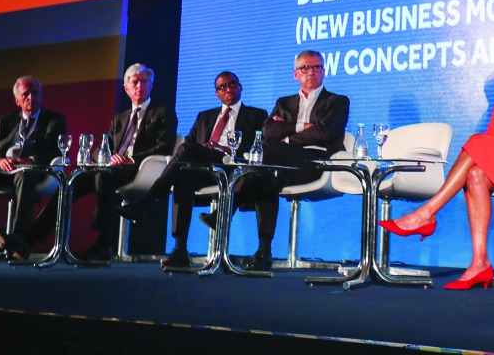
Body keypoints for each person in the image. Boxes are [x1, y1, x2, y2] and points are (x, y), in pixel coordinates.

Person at [380, 26, 494, 290]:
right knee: (475, 174)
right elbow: (493, 131)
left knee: (476, 142)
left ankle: (428, 212)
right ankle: (480, 262)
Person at [117, 71, 268, 269]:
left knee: (189, 150)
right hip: (205, 170)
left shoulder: (257, 115)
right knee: (183, 177)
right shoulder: (205, 117)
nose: (228, 89)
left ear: (240, 87)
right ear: (217, 94)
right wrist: (203, 150)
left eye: (232, 84)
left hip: (232, 167)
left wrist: (223, 149)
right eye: (223, 87)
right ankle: (180, 250)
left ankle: (146, 201)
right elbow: (186, 146)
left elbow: (258, 147)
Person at [33, 63, 176, 261]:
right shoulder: (120, 118)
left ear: (151, 86)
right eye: (135, 82)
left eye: (144, 82)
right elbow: (100, 149)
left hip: (140, 169)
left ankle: (103, 243)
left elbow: (165, 147)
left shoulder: (163, 112)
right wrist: (107, 157)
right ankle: (32, 237)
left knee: (103, 176)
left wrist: (130, 158)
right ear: (126, 88)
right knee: (74, 179)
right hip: (113, 169)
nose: (140, 86)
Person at [238, 50, 349, 272]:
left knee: (267, 149)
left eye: (317, 67)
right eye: (305, 68)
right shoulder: (284, 102)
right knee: (267, 177)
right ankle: (264, 251)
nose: (312, 72)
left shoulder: (337, 101)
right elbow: (268, 130)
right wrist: (303, 126)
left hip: (315, 164)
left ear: (324, 71)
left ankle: (236, 196)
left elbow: (325, 133)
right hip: (284, 165)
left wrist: (287, 137)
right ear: (295, 74)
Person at [0, 75, 66, 258]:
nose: (31, 98)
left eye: (35, 93)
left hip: (31, 170)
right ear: (17, 100)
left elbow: (57, 151)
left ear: (41, 95)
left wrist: (31, 159)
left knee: (24, 175)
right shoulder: (4, 122)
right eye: (26, 94)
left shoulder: (54, 120)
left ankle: (18, 240)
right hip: (3, 168)